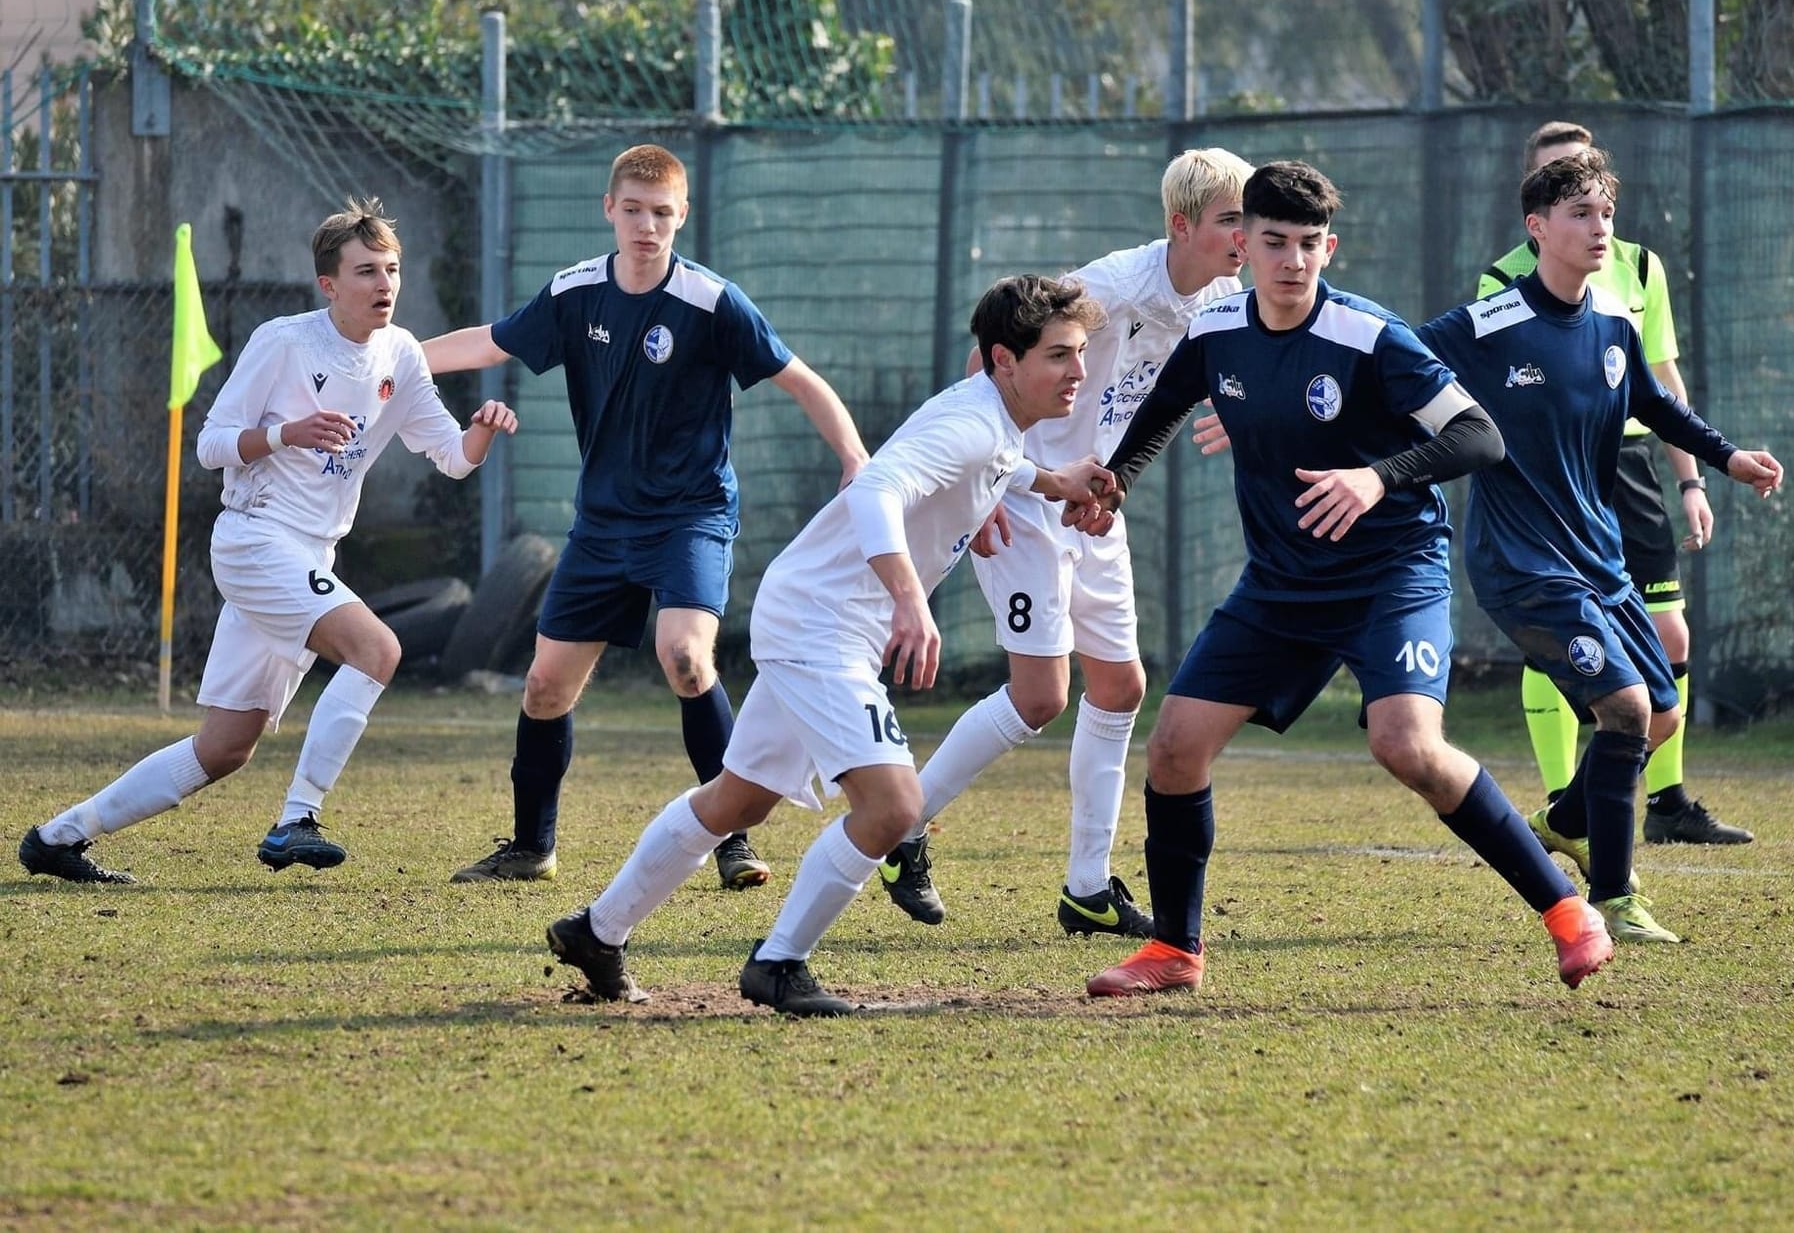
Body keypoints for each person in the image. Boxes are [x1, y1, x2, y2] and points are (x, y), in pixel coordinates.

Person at [1076, 161, 1614, 999]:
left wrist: (1376, 477)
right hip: (1283, 583)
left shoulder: (1372, 337)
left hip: (1390, 571)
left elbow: (1479, 438)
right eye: (1273, 242)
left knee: (1407, 746)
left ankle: (1568, 911)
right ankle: (1175, 950)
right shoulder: (1217, 328)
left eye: (1308, 245)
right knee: (1175, 743)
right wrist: (1117, 478)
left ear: (1330, 247)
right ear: (1243, 244)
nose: (1291, 261)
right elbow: (1169, 403)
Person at [542, 275, 1113, 1014]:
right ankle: (778, 963)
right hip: (823, 623)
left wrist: (1051, 479)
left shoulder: (995, 422)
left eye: (1081, 354)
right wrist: (912, 600)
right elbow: (875, 488)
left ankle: (596, 929)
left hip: (813, 612)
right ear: (1005, 359)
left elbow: (994, 462)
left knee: (737, 799)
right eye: (1061, 355)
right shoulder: (973, 425)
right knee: (893, 805)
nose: (1078, 371)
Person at [18, 198, 516, 883]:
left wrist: (484, 427)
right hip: (255, 541)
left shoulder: (400, 354)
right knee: (378, 648)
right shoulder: (284, 341)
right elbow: (211, 445)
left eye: (392, 270)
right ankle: (297, 820)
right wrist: (289, 432)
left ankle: (56, 837)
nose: (385, 285)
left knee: (224, 748)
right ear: (329, 284)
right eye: (367, 271)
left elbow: (455, 456)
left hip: (308, 555)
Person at [423, 144, 868, 890]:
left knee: (687, 657)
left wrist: (855, 458)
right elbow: (490, 341)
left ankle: (732, 836)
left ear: (681, 217)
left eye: (662, 213)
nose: (646, 225)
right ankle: (532, 847)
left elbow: (800, 378)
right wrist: (390, 362)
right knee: (543, 687)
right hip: (601, 525)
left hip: (690, 515)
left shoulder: (712, 302)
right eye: (633, 209)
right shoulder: (574, 293)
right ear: (609, 209)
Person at [875, 147, 1254, 938]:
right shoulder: (1113, 284)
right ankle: (902, 824)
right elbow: (990, 356)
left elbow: (1165, 400)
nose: (1245, 235)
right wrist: (981, 492)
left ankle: (1086, 888)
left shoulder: (1224, 294)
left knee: (1119, 687)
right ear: (1182, 226)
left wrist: (1120, 480)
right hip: (1025, 493)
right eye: (1231, 220)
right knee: (1041, 695)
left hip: (1090, 500)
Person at [1420, 148, 1783, 944]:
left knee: (1660, 711)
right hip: (1522, 563)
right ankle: (1613, 898)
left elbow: (1662, 408)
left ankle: (1566, 818)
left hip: (1599, 559)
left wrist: (1727, 460)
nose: (1598, 228)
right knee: (1621, 708)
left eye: (1606, 214)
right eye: (1580, 213)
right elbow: (1399, 364)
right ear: (1537, 226)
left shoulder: (1615, 327)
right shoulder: (1489, 323)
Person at [1477, 121, 1753, 849]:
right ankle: (1571, 806)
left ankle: (1658, 799)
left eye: (1598, 196)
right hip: (1549, 482)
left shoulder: (1637, 271)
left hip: (1626, 469)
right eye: (1566, 190)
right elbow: (1440, 376)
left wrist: (1697, 475)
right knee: (1567, 645)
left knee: (1668, 641)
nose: (1593, 215)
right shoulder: (1502, 285)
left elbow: (1660, 384)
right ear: (1536, 216)